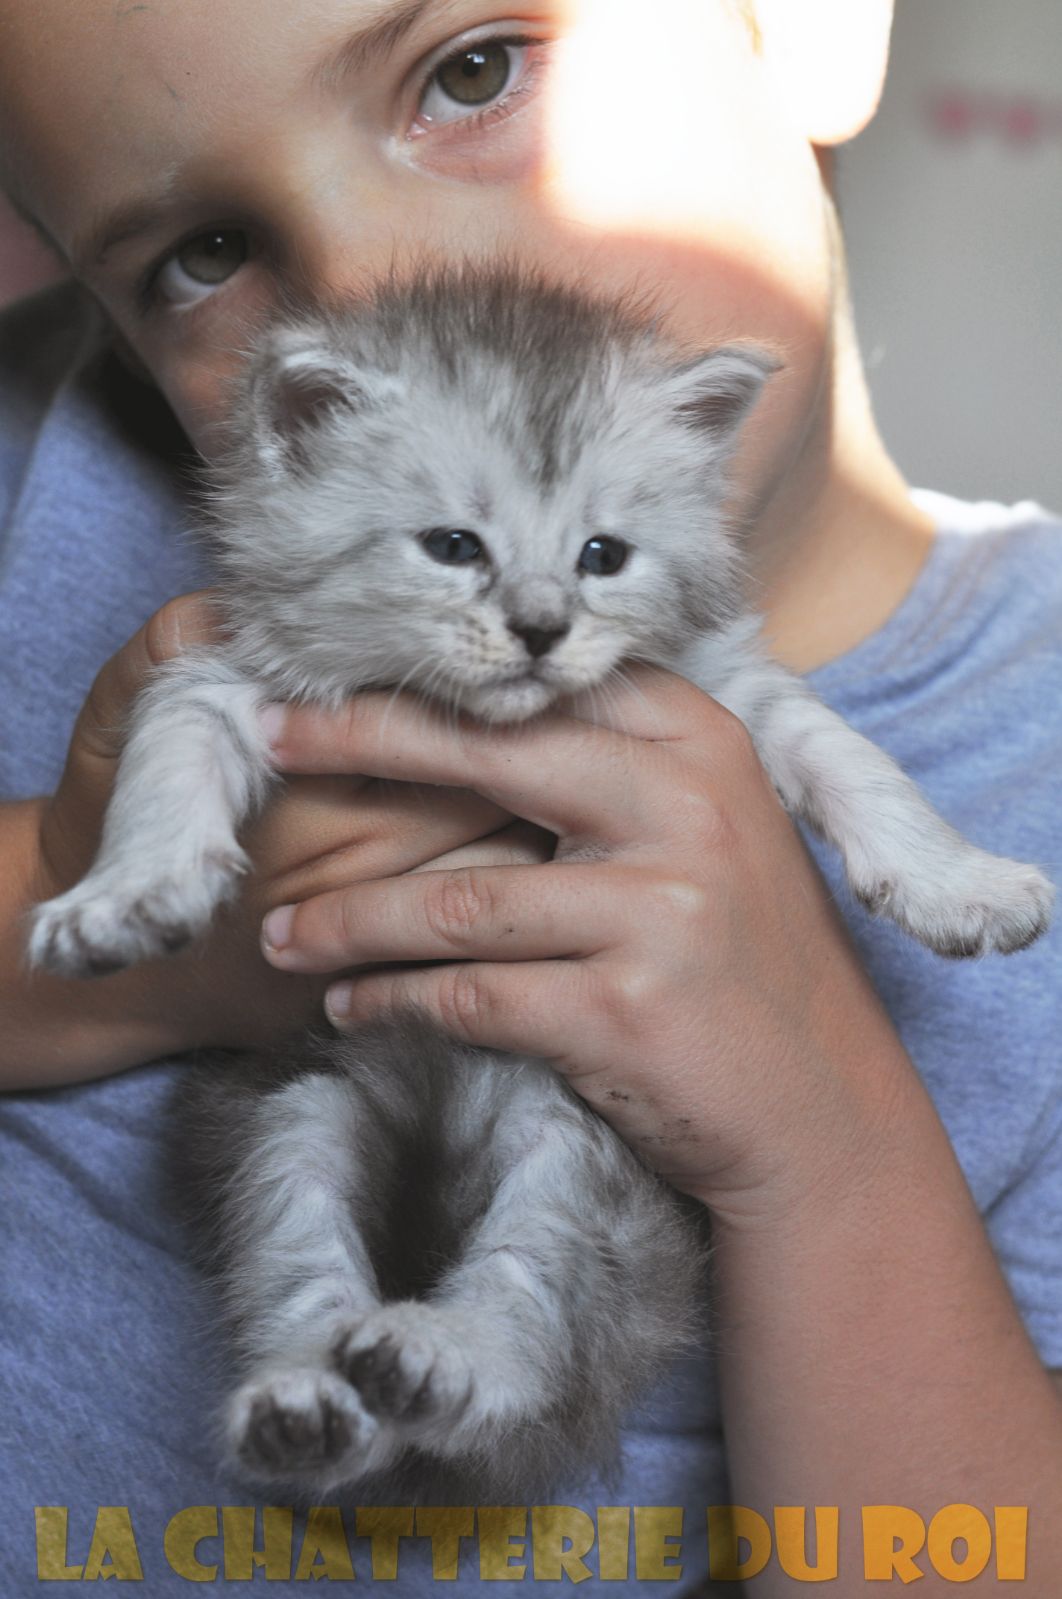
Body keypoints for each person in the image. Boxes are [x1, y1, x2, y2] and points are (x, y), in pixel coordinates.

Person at [1, 0, 1060, 1591]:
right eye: (204, 252)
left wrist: (821, 1141)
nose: (369, 284)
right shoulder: (45, 454)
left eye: (470, 72)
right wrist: (122, 950)